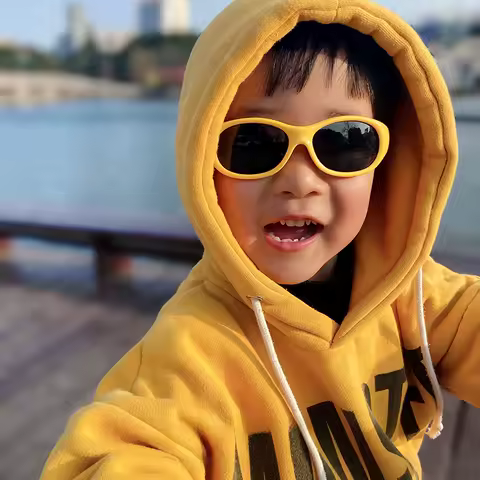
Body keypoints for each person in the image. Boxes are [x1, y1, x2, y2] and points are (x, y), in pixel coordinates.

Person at [41, 0, 480, 479]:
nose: (300, 182)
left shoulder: (413, 299)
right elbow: (128, 451)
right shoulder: (189, 353)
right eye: (255, 144)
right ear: (202, 163)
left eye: (345, 141)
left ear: (387, 162)